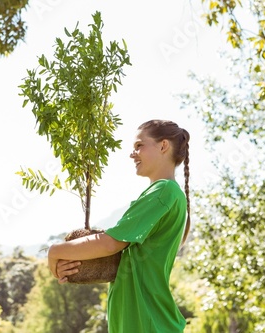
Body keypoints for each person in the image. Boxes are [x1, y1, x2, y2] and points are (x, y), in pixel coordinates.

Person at [48, 119, 190, 332]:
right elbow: (120, 258)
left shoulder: (164, 191)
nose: (133, 154)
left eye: (139, 145)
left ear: (163, 146)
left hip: (148, 323)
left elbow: (111, 243)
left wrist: (56, 251)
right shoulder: (167, 193)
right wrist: (74, 265)